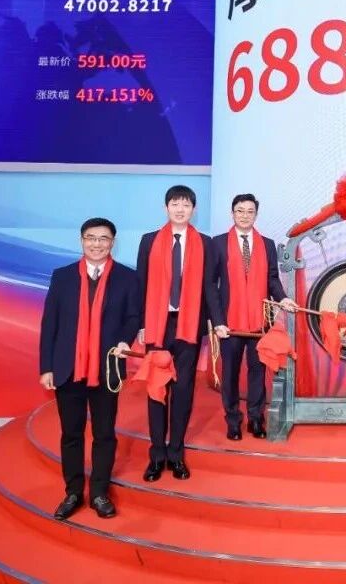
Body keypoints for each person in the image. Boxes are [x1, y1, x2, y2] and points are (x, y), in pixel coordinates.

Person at [39, 218, 139, 520]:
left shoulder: (127, 278)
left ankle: (98, 493)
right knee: (71, 434)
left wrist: (125, 340)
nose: (97, 244)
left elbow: (133, 317)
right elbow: (50, 324)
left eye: (103, 239)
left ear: (113, 243)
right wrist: (46, 367)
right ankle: (72, 492)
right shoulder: (63, 276)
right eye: (91, 238)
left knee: (104, 434)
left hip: (106, 367)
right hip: (68, 369)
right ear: (82, 240)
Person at [136, 185, 220, 482]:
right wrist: (141, 324)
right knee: (157, 388)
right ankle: (157, 455)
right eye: (175, 204)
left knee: (183, 390)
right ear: (166, 208)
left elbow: (210, 286)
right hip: (157, 324)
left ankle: (176, 454)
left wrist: (216, 322)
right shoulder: (149, 241)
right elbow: (141, 284)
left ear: (193, 210)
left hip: (188, 323)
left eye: (185, 205)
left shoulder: (205, 243)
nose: (180, 209)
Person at [213, 194, 296, 440]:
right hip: (229, 322)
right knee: (230, 373)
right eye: (240, 211)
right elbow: (210, 284)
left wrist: (283, 298)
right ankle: (233, 420)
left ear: (256, 215)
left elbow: (272, 279)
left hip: (260, 322)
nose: (245, 215)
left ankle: (256, 419)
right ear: (232, 213)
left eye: (250, 211)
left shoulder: (267, 244)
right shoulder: (218, 243)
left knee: (258, 371)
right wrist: (217, 320)